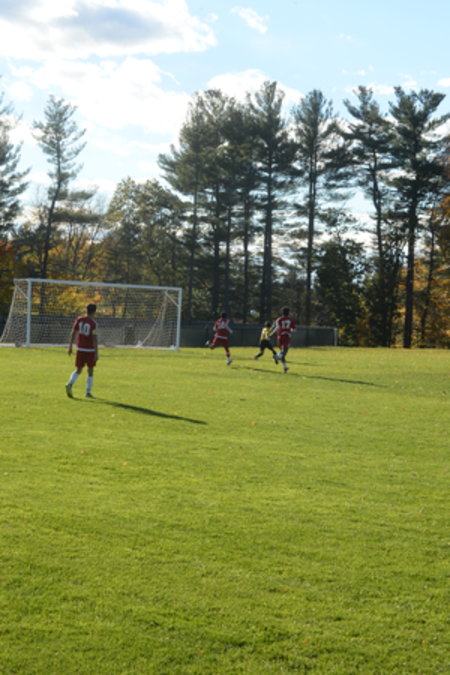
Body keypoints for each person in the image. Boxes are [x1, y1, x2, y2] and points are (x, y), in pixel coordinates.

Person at [66, 303, 98, 398]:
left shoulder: (79, 320)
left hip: (80, 349)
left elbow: (73, 333)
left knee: (78, 369)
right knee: (90, 370)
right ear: (94, 312)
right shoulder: (93, 323)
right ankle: (88, 392)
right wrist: (96, 352)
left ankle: (70, 383)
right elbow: (94, 338)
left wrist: (70, 346)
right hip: (90, 350)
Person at [271, 306, 295, 373]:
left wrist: (271, 334)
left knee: (282, 352)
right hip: (286, 336)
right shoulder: (291, 320)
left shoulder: (279, 319)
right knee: (284, 352)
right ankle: (276, 356)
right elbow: (293, 329)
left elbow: (277, 327)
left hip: (279, 336)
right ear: (288, 312)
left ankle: (285, 367)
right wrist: (291, 330)